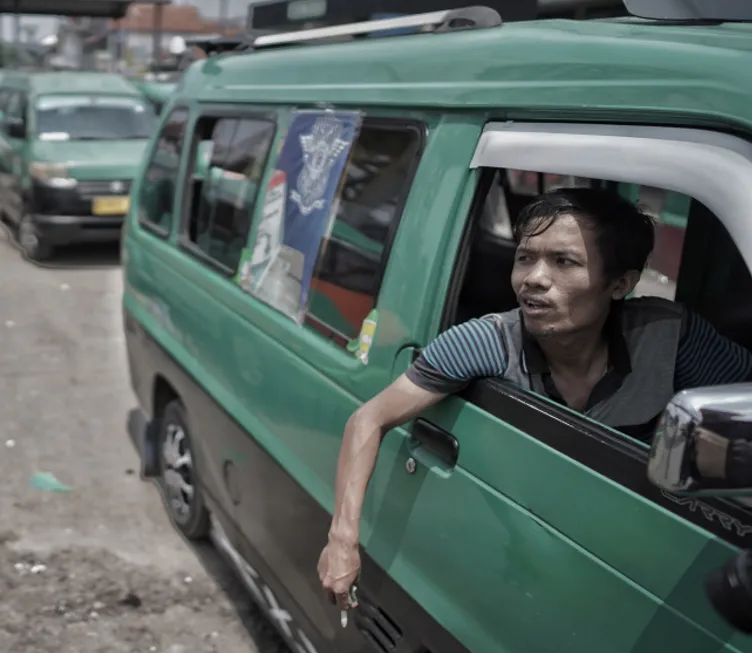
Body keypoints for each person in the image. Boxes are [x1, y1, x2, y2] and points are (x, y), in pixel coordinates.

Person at [318, 186, 752, 607]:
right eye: (525, 258)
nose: (533, 279)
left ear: (620, 284)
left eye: (564, 262)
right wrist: (343, 540)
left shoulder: (671, 337)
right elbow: (368, 420)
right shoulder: (485, 341)